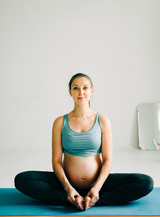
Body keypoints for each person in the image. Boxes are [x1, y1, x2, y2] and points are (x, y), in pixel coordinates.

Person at [15, 73, 154, 211]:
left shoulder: (103, 121)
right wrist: (68, 188)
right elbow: (56, 161)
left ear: (91, 91)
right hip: (66, 184)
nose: (81, 92)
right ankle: (69, 197)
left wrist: (96, 188)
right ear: (70, 92)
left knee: (145, 183)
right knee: (22, 179)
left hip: (98, 184)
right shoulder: (59, 122)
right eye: (76, 88)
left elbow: (107, 160)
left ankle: (93, 199)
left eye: (85, 88)